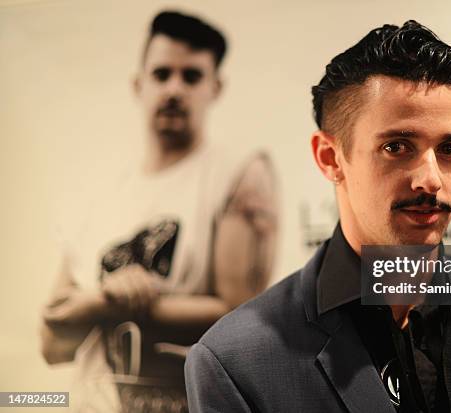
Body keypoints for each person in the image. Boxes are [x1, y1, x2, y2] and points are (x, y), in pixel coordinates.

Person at [185, 20, 451, 412]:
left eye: (449, 148)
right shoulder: (235, 362)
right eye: (398, 146)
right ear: (330, 158)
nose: (431, 179)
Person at [40, 10, 277, 412]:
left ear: (216, 87)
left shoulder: (239, 173)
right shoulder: (97, 190)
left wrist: (106, 303)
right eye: (162, 73)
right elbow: (51, 344)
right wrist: (107, 295)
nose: (174, 89)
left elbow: (240, 313)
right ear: (138, 83)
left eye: (192, 76)